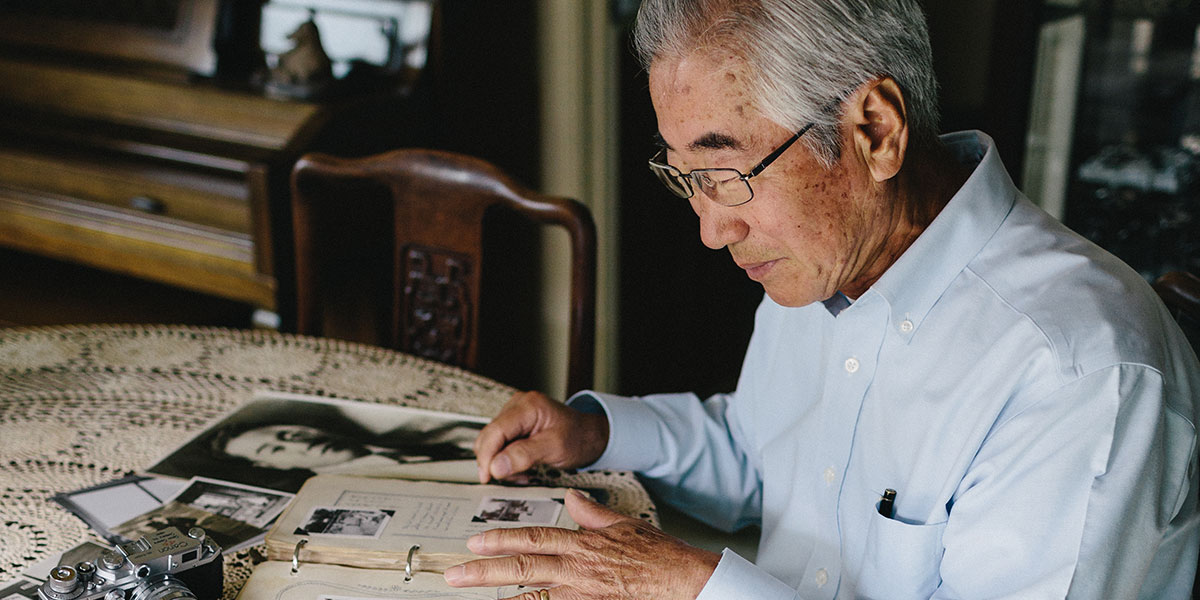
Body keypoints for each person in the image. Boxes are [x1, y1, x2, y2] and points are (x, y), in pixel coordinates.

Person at [442, 1, 1200, 599]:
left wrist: (695, 586)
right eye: (687, 179)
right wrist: (596, 432)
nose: (712, 229)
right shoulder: (824, 258)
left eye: (729, 173)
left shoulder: (1077, 369)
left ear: (875, 130)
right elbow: (762, 453)